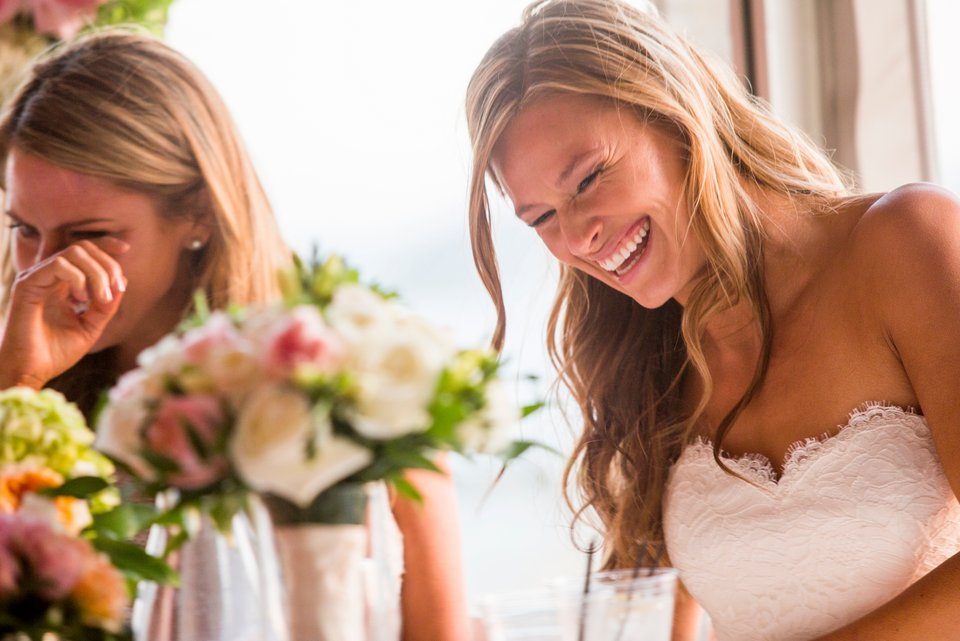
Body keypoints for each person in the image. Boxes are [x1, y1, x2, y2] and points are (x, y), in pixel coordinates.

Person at [465, 1, 960, 640]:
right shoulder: (645, 364)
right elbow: (643, 625)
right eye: (540, 218)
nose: (579, 238)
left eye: (589, 178)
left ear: (674, 114)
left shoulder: (907, 240)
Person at [0, 31, 469, 641]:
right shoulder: (28, 396)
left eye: (89, 234)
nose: (45, 270)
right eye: (24, 229)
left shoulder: (353, 392)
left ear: (197, 213)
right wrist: (16, 388)